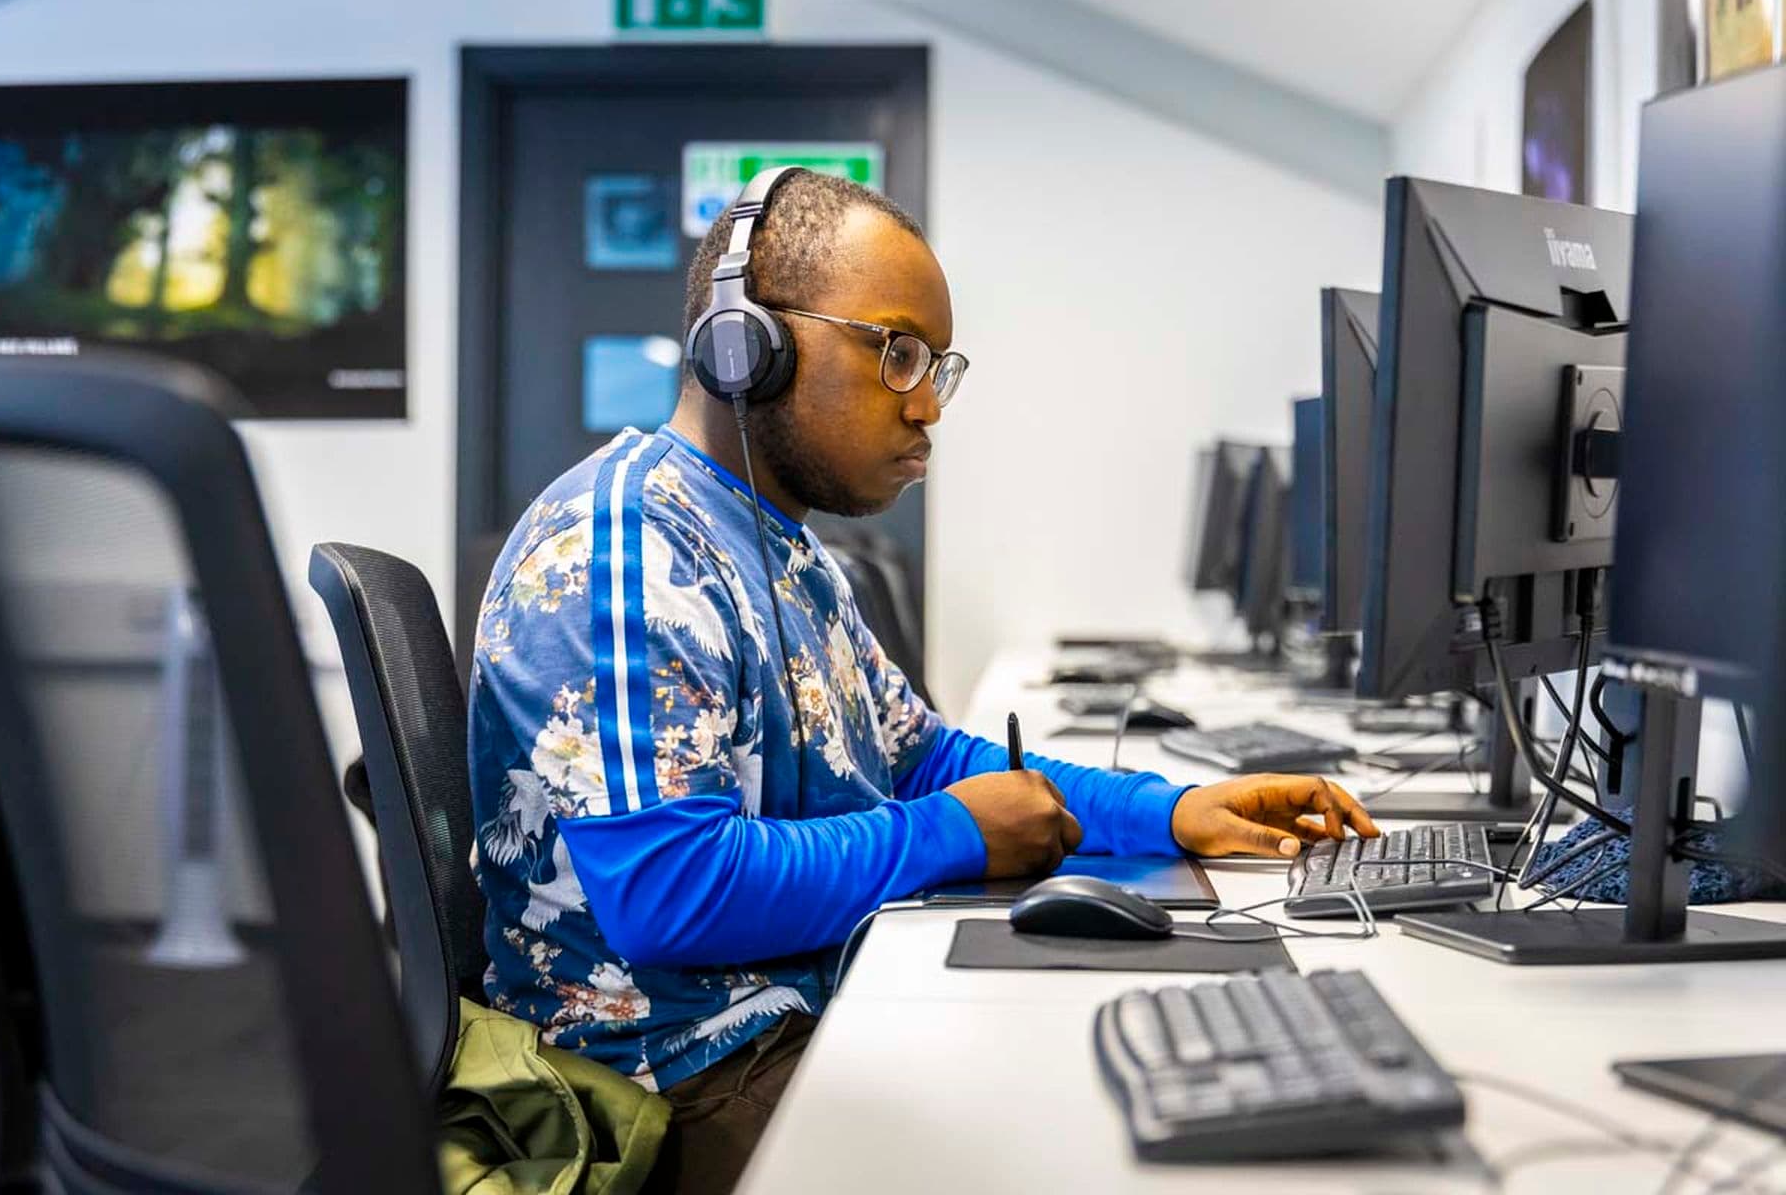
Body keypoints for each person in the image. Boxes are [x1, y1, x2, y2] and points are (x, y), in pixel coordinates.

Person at [467, 168, 1379, 1193]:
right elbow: (667, 894)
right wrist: (954, 833)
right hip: (671, 1086)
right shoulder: (628, 545)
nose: (929, 405)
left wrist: (1174, 814)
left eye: (939, 364)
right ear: (746, 347)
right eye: (897, 352)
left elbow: (922, 756)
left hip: (789, 1020)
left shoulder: (787, 554)